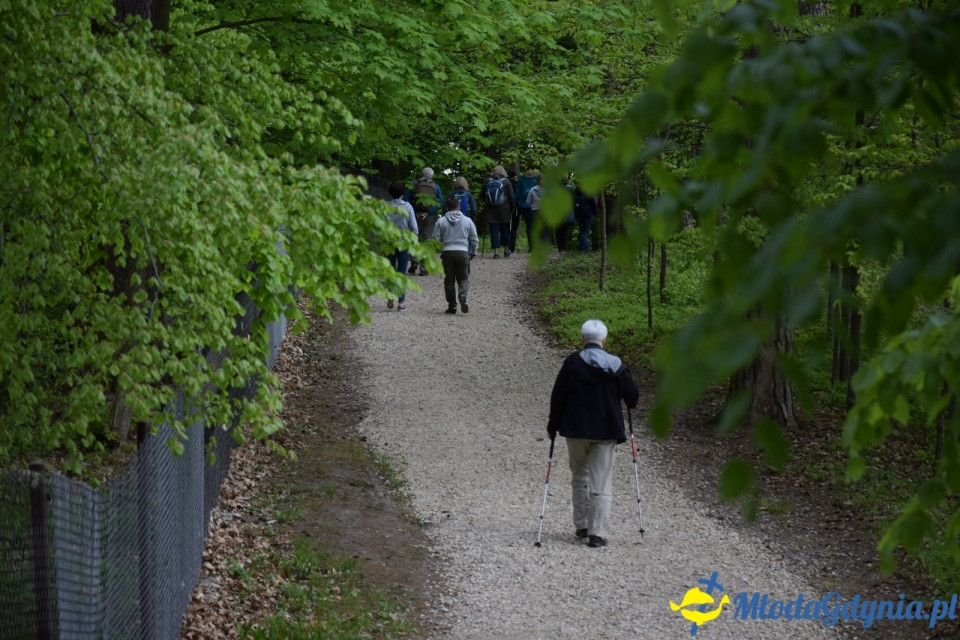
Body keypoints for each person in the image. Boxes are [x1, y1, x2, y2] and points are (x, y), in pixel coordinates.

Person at [547, 319, 640, 548]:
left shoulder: (571, 363)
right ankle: (597, 532)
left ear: (582, 339)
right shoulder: (617, 365)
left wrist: (553, 426)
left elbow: (558, 397)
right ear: (604, 340)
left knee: (580, 475)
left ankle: (582, 525)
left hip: (576, 429)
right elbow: (633, 399)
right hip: (607, 430)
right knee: (601, 480)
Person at [432, 195, 478, 314]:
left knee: (449, 280)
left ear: (446, 208)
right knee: (463, 277)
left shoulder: (441, 221)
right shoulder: (467, 220)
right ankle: (462, 295)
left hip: (447, 252)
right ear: (459, 207)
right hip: (462, 252)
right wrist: (474, 251)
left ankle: (452, 306)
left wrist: (439, 249)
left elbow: (435, 239)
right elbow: (474, 238)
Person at [384, 182, 418, 311]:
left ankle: (390, 294)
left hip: (389, 241)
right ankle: (401, 303)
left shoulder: (385, 206)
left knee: (390, 270)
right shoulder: (408, 207)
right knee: (402, 271)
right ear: (402, 194)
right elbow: (414, 227)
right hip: (403, 242)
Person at [405, 167, 443, 276]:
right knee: (427, 240)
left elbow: (407, 200)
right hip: (429, 217)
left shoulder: (413, 184)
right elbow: (440, 202)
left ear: (422, 174)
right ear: (432, 175)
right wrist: (430, 212)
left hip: (415, 216)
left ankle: (414, 261)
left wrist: (415, 212)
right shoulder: (436, 186)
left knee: (414, 239)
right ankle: (424, 267)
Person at [482, 165, 515, 259]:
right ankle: (506, 250)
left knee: (494, 231)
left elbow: (482, 194)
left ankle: (496, 252)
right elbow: (511, 196)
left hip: (491, 210)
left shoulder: (488, 181)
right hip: (504, 210)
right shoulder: (506, 181)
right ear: (504, 172)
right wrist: (513, 206)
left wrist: (487, 202)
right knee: (505, 230)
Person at [512, 166, 538, 253]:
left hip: (523, 206)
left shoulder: (522, 179)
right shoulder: (535, 180)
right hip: (528, 206)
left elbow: (516, 194)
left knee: (516, 227)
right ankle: (532, 247)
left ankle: (512, 248)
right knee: (529, 227)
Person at [574, 185, 598, 252]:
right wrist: (595, 212)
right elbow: (592, 202)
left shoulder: (577, 190)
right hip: (588, 213)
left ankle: (586, 250)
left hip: (578, 214)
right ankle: (582, 250)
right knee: (584, 232)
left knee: (583, 231)